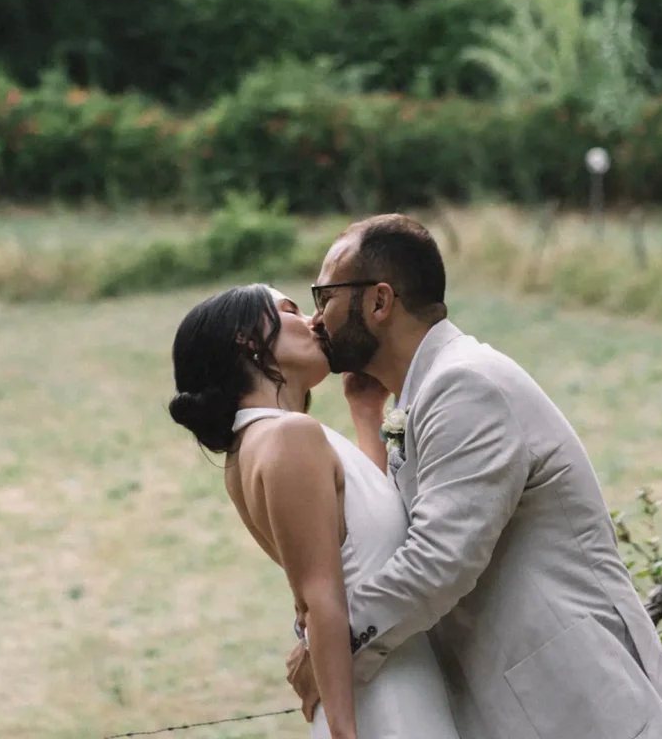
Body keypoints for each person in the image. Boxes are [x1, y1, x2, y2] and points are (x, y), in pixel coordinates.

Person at [292, 214, 662, 739]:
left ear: (379, 302)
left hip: (585, 708)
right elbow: (395, 532)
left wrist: (333, 645)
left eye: (324, 294)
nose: (315, 317)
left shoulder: (465, 385)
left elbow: (437, 563)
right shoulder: (424, 394)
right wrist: (367, 415)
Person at [170, 284, 459, 739]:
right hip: (383, 700)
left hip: (386, 678)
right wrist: (346, 733)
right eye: (291, 310)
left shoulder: (250, 447)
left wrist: (365, 413)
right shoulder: (291, 437)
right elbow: (321, 598)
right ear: (248, 337)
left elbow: (361, 537)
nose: (315, 322)